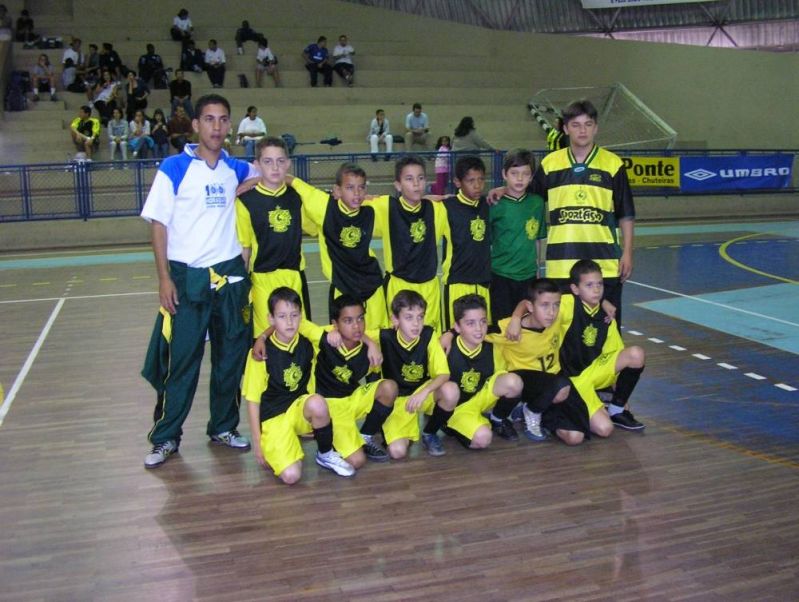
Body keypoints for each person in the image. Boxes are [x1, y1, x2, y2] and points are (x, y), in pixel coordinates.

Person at [140, 93, 259, 469]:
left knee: (230, 360)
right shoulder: (173, 167)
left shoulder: (236, 168)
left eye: (224, 120)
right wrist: (163, 278)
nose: (217, 127)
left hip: (230, 277)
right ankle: (165, 437)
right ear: (195, 125)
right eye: (209, 119)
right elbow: (158, 225)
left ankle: (223, 427)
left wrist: (253, 181)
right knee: (182, 362)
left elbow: (273, 173)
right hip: (186, 277)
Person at [252, 293, 397, 467]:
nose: (356, 326)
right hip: (328, 406)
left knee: (389, 387)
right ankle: (327, 440)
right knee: (357, 461)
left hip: (352, 400)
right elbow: (287, 321)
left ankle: (365, 437)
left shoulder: (370, 344)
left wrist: (372, 344)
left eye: (360, 319)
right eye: (348, 321)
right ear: (334, 324)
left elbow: (375, 342)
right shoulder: (324, 338)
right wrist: (261, 338)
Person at [532, 99, 635, 324]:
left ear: (596, 128)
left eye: (588, 124)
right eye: (576, 125)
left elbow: (626, 214)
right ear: (566, 128)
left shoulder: (613, 164)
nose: (582, 130)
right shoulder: (550, 164)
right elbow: (530, 204)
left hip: (605, 265)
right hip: (561, 265)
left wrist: (627, 252)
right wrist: (504, 189)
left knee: (606, 333)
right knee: (566, 336)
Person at [242, 288, 356, 483]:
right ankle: (286, 442)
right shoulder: (260, 354)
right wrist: (258, 443)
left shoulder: (308, 342)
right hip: (274, 418)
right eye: (282, 316)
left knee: (318, 403)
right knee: (291, 476)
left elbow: (354, 332)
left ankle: (325, 453)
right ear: (270, 318)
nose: (289, 322)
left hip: (299, 409)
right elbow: (253, 401)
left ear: (301, 317)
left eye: (294, 315)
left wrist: (371, 345)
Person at [288, 163, 388, 330]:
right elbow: (292, 181)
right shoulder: (324, 207)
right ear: (337, 190)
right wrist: (254, 181)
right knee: (345, 341)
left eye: (361, 188)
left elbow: (409, 200)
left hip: (373, 288)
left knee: (378, 338)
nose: (356, 193)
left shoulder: (372, 209)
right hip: (343, 289)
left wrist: (442, 199)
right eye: (350, 188)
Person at [235, 137, 316, 336]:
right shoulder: (245, 202)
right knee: (265, 338)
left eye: (281, 161)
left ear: (288, 164)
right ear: (257, 165)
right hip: (263, 278)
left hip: (294, 275)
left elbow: (316, 227)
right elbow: (245, 248)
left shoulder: (297, 197)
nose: (275, 167)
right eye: (268, 161)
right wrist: (241, 289)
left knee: (300, 336)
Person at [492, 279, 585, 444]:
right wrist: (449, 334)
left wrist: (605, 303)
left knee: (578, 437)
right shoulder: (511, 329)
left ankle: (535, 411)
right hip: (525, 381)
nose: (551, 312)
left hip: (551, 382)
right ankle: (531, 410)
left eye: (556, 305)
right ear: (530, 306)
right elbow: (474, 331)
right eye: (545, 305)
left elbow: (586, 295)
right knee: (562, 385)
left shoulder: (556, 316)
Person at [558, 260, 646, 433]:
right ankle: (570, 406)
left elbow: (615, 356)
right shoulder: (568, 304)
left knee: (636, 354)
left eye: (599, 284)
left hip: (595, 373)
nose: (596, 289)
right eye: (589, 285)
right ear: (575, 289)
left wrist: (621, 396)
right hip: (574, 379)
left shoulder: (606, 317)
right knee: (604, 429)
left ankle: (616, 409)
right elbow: (548, 295)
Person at [365, 156, 446, 332]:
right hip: (398, 287)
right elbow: (353, 202)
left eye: (421, 178)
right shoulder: (386, 207)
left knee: (429, 342)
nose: (416, 184)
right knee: (397, 342)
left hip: (429, 289)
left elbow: (465, 202)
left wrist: (501, 191)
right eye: (409, 179)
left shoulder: (436, 209)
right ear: (398, 185)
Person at [434, 294, 523, 452]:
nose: (478, 329)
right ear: (457, 327)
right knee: (482, 439)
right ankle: (447, 423)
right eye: (470, 323)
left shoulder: (492, 344)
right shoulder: (445, 348)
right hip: (456, 406)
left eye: (482, 322)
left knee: (514, 382)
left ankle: (497, 419)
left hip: (480, 399)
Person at [378, 290, 450, 459]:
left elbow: (444, 374)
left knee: (450, 390)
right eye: (409, 317)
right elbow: (354, 334)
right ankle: (402, 430)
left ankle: (429, 432)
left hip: (422, 393)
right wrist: (370, 344)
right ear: (395, 319)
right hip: (397, 400)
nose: (416, 324)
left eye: (420, 317)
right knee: (397, 452)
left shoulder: (428, 335)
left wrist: (423, 392)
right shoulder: (384, 337)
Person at [489, 149, 547, 322]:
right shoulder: (495, 204)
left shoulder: (537, 203)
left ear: (531, 176)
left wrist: (537, 269)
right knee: (502, 326)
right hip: (501, 276)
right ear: (504, 174)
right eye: (514, 173)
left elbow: (537, 240)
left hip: (528, 277)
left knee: (526, 325)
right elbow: (488, 242)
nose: (520, 179)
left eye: (525, 174)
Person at [440, 155, 492, 331]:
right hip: (457, 283)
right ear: (457, 182)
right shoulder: (446, 207)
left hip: (483, 284)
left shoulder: (488, 204)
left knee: (481, 335)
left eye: (481, 180)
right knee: (453, 336)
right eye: (471, 180)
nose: (477, 185)